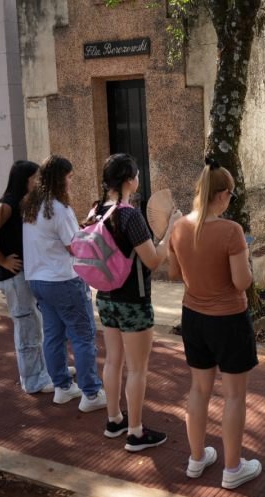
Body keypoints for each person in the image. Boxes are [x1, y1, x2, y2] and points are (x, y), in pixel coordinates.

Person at [168, 158, 261, 489]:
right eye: (231, 195)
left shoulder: (179, 227)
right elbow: (240, 282)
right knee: (234, 396)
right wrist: (247, 262)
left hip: (193, 317)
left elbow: (174, 273)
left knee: (198, 389)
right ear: (222, 195)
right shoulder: (231, 231)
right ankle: (233, 469)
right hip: (229, 320)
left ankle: (196, 458)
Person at [89, 154, 181, 451]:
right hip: (134, 300)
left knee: (113, 360)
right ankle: (136, 432)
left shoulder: (96, 209)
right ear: (129, 180)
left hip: (105, 297)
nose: (138, 179)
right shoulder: (130, 215)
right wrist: (170, 233)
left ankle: (114, 419)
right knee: (138, 368)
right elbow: (153, 260)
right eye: (137, 174)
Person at [22, 155, 106, 413]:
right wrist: (94, 233)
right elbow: (75, 247)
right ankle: (91, 393)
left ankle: (62, 387)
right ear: (60, 179)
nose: (71, 182)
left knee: (54, 335)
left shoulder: (32, 206)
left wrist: (80, 228)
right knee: (82, 336)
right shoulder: (60, 209)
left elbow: (56, 239)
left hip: (37, 279)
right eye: (69, 177)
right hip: (63, 280)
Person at [0, 160, 53, 394]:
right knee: (27, 328)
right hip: (13, 278)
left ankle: (43, 371)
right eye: (35, 179)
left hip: (24, 276)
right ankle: (32, 380)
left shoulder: (23, 204)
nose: (38, 183)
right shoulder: (6, 206)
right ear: (24, 180)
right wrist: (3, 260)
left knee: (35, 325)